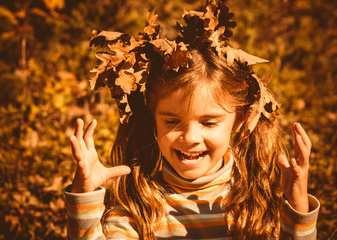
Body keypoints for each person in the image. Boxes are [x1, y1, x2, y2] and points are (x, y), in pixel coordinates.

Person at [65, 1, 320, 239]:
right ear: (153, 122)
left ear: (240, 120)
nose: (190, 138)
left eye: (209, 123)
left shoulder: (259, 197)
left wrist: (297, 204)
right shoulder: (140, 204)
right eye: (173, 122)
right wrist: (84, 194)